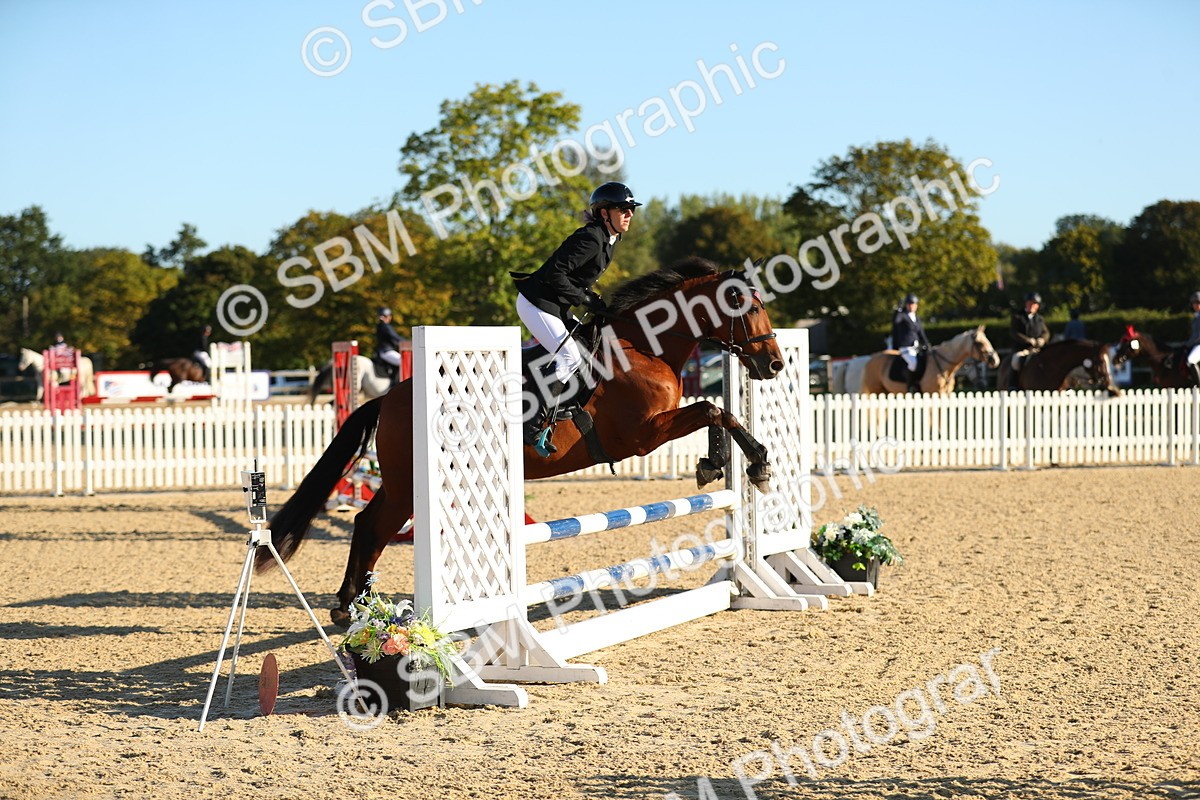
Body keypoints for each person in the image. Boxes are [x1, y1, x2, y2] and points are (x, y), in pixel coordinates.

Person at [512, 181, 641, 448]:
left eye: (631, 210)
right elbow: (554, 274)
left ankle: (553, 399)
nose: (629, 215)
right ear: (604, 212)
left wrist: (592, 299)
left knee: (584, 344)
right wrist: (583, 299)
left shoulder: (609, 240)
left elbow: (577, 279)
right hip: (535, 302)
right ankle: (532, 422)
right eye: (623, 210)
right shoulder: (591, 238)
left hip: (554, 304)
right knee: (569, 356)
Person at [890, 293, 930, 393]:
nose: (912, 306)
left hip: (916, 347)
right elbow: (896, 321)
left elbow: (921, 333)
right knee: (913, 364)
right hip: (906, 347)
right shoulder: (902, 315)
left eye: (914, 304)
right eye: (910, 304)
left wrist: (927, 344)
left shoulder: (916, 318)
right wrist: (898, 310)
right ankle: (911, 385)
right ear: (906, 305)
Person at [1009, 292, 1049, 389]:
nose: (1032, 305)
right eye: (1030, 303)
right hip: (1023, 349)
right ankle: (1013, 385)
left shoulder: (1039, 319)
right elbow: (1014, 332)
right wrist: (1028, 340)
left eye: (1034, 304)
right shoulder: (1017, 316)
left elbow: (1046, 332)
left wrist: (1042, 340)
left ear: (1037, 306)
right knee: (1015, 361)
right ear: (1026, 303)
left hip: (1037, 349)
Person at [375, 308, 405, 384]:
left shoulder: (381, 326)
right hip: (386, 351)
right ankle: (396, 384)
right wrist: (407, 342)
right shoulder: (385, 326)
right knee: (403, 362)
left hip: (385, 350)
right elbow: (395, 337)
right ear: (388, 317)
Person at [1185, 290, 1200, 385]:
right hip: (1195, 344)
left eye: (1198, 303)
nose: (1196, 305)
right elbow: (1194, 334)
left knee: (1191, 360)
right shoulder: (1196, 316)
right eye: (1194, 303)